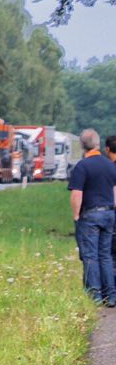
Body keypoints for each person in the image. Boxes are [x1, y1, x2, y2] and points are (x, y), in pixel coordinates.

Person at [68, 128, 116, 306]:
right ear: (98, 144)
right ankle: (111, 295)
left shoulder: (82, 166)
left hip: (90, 215)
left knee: (90, 255)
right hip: (109, 213)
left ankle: (94, 295)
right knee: (105, 255)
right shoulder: (110, 165)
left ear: (82, 145)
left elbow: (76, 194)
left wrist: (76, 215)